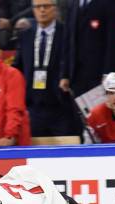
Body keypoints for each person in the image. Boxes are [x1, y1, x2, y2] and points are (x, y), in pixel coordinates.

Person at [14, 0, 79, 137]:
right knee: (35, 153)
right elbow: (17, 67)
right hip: (33, 106)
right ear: (33, 10)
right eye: (38, 7)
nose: (42, 10)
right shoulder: (25, 35)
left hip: (60, 105)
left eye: (46, 6)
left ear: (55, 8)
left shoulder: (66, 33)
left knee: (65, 152)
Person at [60, 0, 115, 97]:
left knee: (103, 111)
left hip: (101, 74)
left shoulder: (110, 3)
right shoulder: (73, 3)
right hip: (77, 74)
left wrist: (109, 73)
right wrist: (65, 74)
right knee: (81, 111)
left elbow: (114, 41)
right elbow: (68, 40)